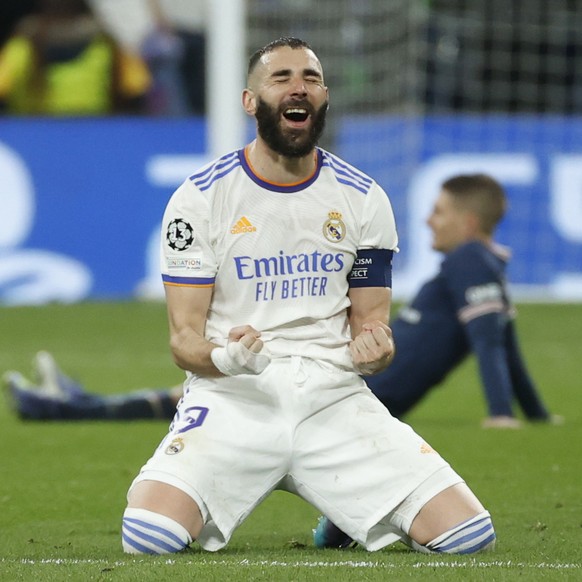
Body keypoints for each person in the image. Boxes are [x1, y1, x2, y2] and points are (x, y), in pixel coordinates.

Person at [116, 37, 494, 556]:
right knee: (148, 537)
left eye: (311, 78)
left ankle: (341, 516)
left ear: (323, 97)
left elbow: (372, 323)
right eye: (282, 78)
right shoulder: (199, 199)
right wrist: (226, 356)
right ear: (251, 102)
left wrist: (377, 347)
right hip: (233, 398)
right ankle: (174, 478)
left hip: (332, 397)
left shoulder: (362, 198)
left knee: (468, 538)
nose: (300, 87)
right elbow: (184, 340)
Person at [4, 174, 557, 428]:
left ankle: (59, 407)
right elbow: (504, 346)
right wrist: (537, 415)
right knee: (192, 389)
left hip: (357, 381)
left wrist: (503, 417)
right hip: (360, 374)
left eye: (438, 212)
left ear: (467, 221)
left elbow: (491, 344)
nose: (427, 220)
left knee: (198, 388)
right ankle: (72, 402)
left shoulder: (466, 262)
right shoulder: (486, 269)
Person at [0, 0, 150, 115]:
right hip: (33, 138)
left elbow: (137, 89)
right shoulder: (20, 48)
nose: (61, 7)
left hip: (95, 137)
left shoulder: (106, 46)